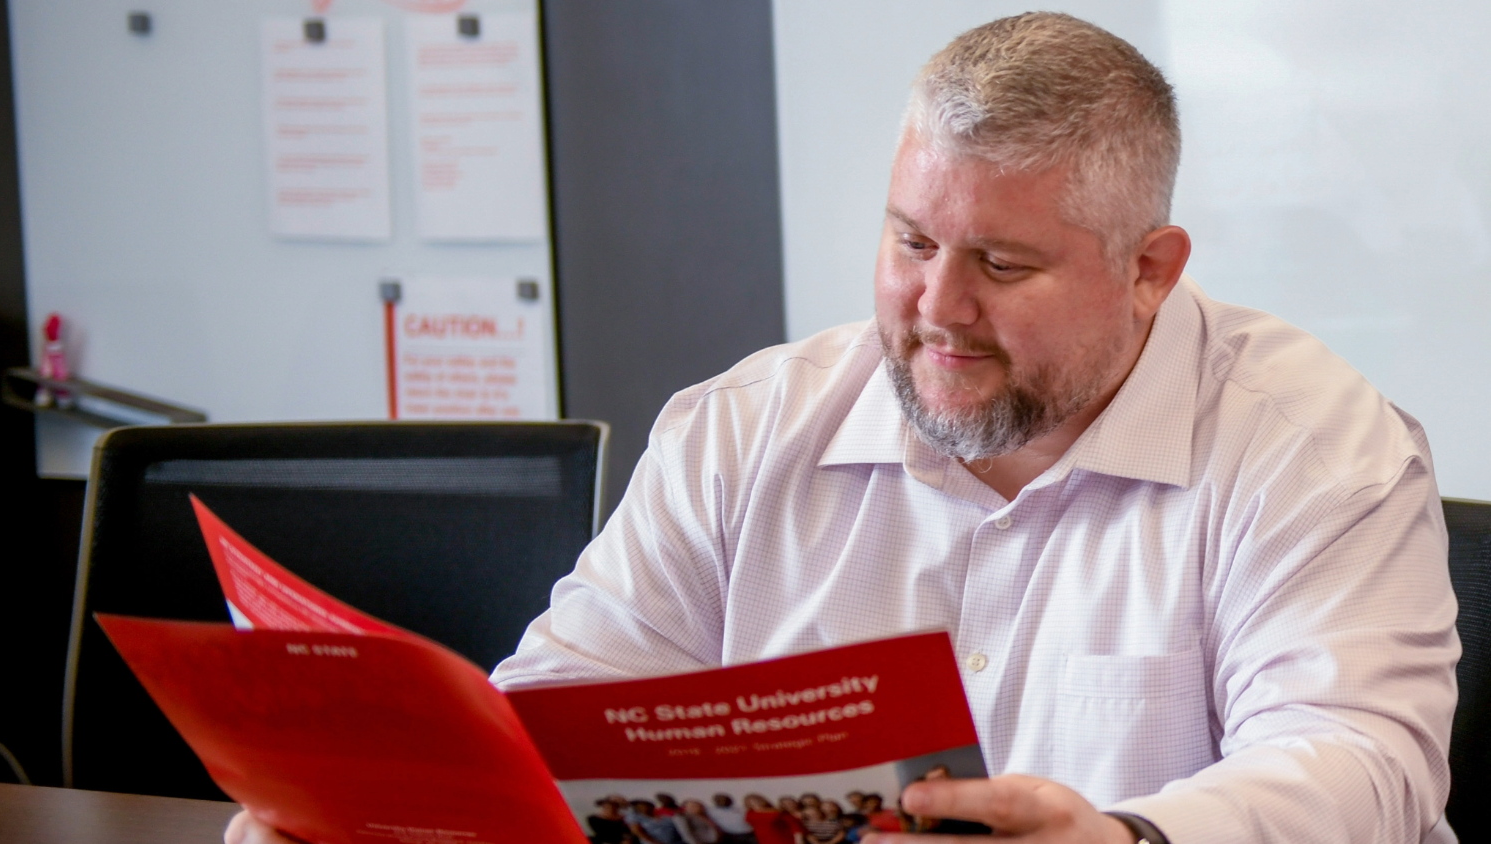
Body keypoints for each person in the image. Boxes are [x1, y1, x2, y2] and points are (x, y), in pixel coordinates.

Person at [224, 11, 1458, 844]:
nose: (937, 308)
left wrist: (1125, 836)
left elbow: (1359, 763)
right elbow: (566, 703)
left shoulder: (1316, 447)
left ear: (1152, 268)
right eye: (911, 242)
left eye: (1003, 263)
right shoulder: (742, 430)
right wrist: (388, 809)